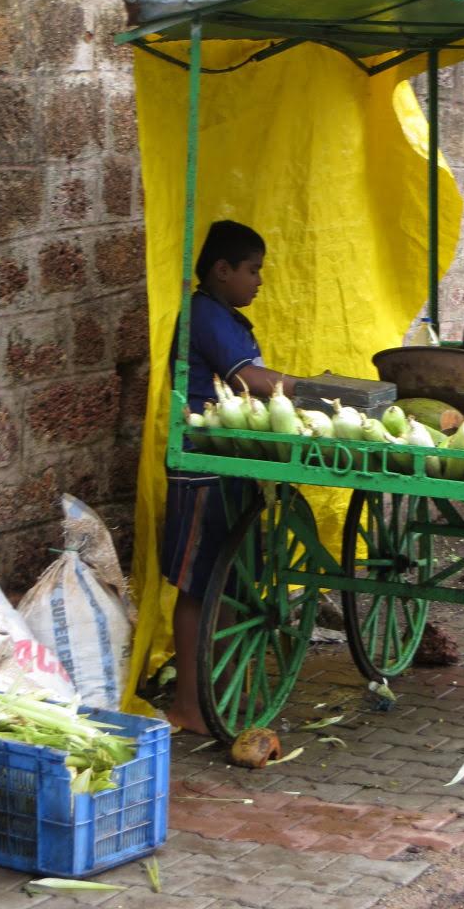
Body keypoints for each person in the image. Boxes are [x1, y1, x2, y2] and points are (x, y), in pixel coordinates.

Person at [161, 219, 300, 734]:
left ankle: (214, 696)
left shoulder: (225, 317)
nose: (259, 281)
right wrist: (307, 388)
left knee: (223, 583)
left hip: (228, 460)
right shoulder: (204, 313)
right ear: (221, 271)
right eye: (253, 271)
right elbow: (248, 379)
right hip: (202, 463)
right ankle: (188, 708)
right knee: (198, 587)